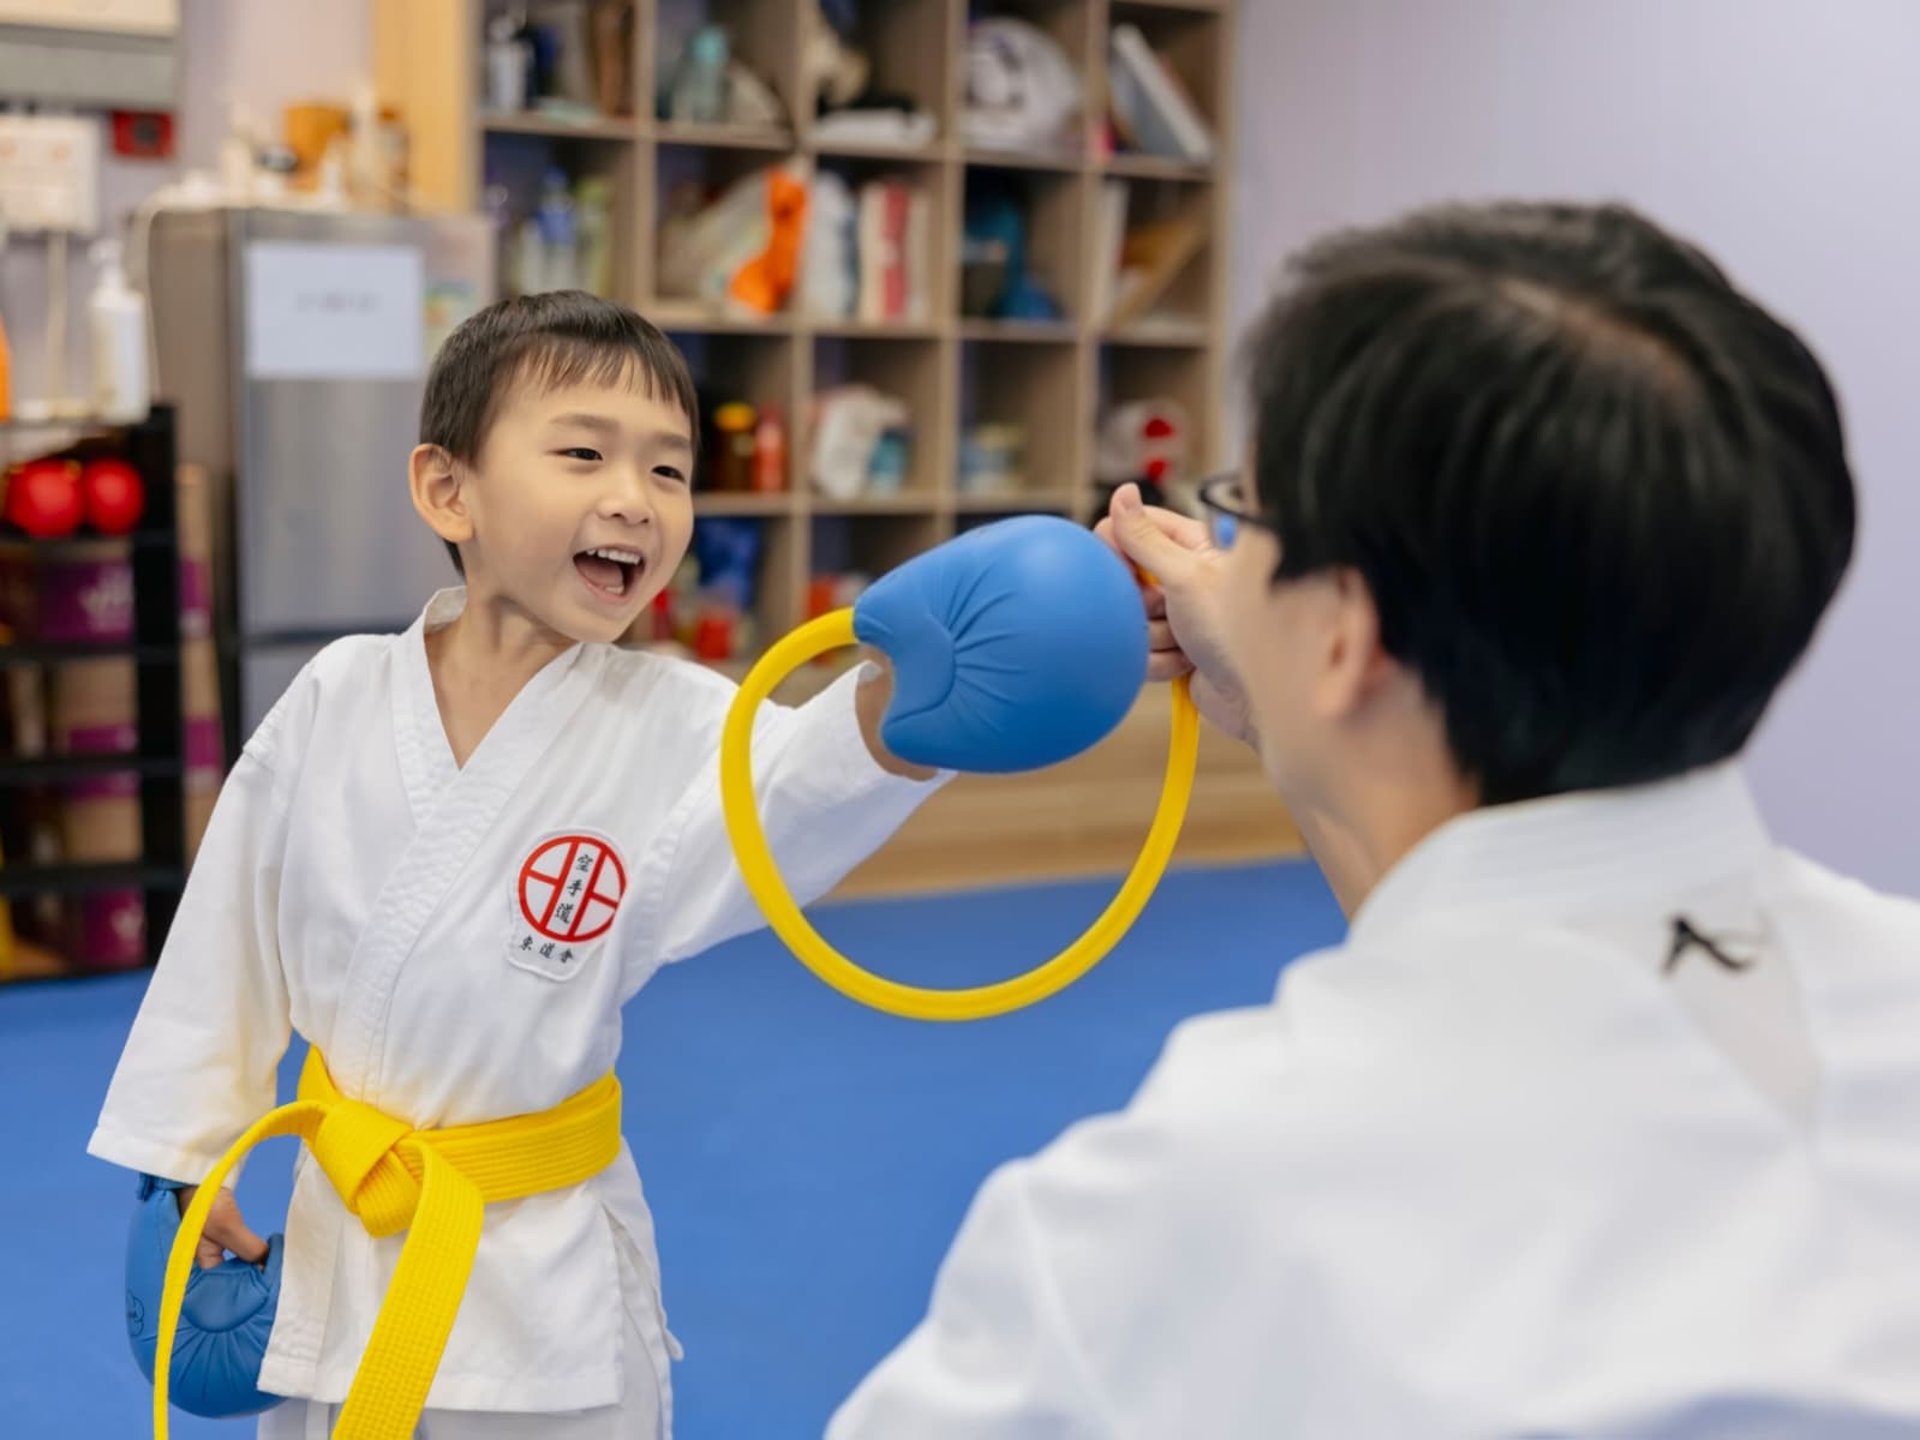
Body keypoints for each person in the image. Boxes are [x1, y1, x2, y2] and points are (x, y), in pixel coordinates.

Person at [828, 202, 1920, 1437]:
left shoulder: (1198, 1192)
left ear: (1346, 629)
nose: (1225, 553)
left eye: (1246, 514)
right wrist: (1302, 716)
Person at [88, 290, 1042, 1438]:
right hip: (347, 1239)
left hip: (540, 1281)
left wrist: (905, 705)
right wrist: (188, 1162)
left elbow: (791, 795)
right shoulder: (339, 694)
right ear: (451, 489)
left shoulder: (678, 723)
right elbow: (228, 935)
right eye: (584, 452)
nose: (632, 500)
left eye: (670, 473)